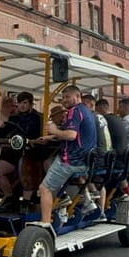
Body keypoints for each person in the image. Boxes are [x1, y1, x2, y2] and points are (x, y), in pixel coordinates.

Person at [38, 85, 96, 225]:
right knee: (50, 165)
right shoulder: (85, 110)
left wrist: (54, 129)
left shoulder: (73, 111)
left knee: (44, 188)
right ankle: (69, 201)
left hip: (71, 160)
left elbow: (71, 135)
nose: (64, 100)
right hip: (85, 161)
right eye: (63, 98)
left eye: (67, 97)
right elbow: (76, 134)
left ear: (77, 96)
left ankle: (45, 224)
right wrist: (51, 137)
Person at [0, 91, 42, 209]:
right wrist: (0, 126)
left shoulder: (38, 118)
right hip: (14, 152)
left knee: (26, 168)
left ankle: (26, 201)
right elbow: (6, 134)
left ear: (31, 104)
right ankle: (9, 196)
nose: (22, 106)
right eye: (20, 103)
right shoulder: (14, 118)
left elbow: (35, 135)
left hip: (30, 153)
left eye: (25, 103)